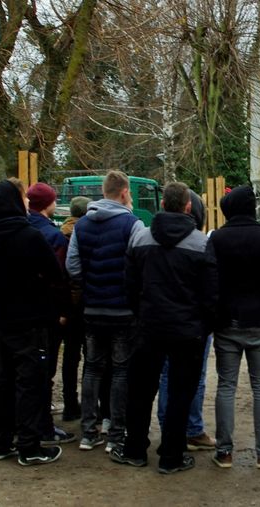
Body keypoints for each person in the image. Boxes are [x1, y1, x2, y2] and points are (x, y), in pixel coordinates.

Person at [113, 182, 218, 474]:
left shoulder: (140, 238)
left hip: (148, 327)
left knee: (140, 391)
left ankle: (135, 449)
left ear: (161, 204)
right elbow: (211, 295)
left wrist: (139, 315)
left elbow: (129, 285)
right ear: (188, 206)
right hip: (187, 331)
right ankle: (172, 455)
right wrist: (203, 326)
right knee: (181, 393)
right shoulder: (201, 243)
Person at [0, 178, 63, 465]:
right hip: (29, 320)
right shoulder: (28, 236)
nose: (27, 201)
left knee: (3, 380)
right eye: (22, 197)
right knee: (30, 383)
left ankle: (0, 441)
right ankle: (29, 446)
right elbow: (54, 273)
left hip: (0, 318)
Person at [209, 185, 260, 469]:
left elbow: (210, 278)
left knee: (226, 386)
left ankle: (224, 452)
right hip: (259, 319)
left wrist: (219, 304)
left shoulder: (217, 238)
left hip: (227, 320)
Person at [66, 171, 144, 453]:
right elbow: (140, 265)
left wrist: (90, 284)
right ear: (124, 192)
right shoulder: (132, 224)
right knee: (121, 370)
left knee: (92, 368)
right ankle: (116, 434)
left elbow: (72, 266)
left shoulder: (82, 225)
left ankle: (89, 432)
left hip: (92, 307)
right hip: (122, 310)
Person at [157, 189, 215, 451]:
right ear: (192, 209)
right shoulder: (201, 243)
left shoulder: (146, 237)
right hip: (192, 323)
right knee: (194, 377)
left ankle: (168, 428)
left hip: (160, 320)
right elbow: (210, 289)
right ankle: (191, 429)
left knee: (166, 375)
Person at [26, 182, 76, 445]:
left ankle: (30, 419)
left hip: (23, 311)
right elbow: (59, 279)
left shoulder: (20, 230)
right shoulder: (52, 237)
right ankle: (44, 425)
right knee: (46, 368)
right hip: (48, 312)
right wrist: (65, 310)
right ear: (48, 204)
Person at [59, 196, 91, 421]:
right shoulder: (86, 234)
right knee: (90, 357)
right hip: (83, 303)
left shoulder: (60, 234)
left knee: (70, 357)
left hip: (66, 304)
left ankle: (70, 402)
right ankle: (90, 404)